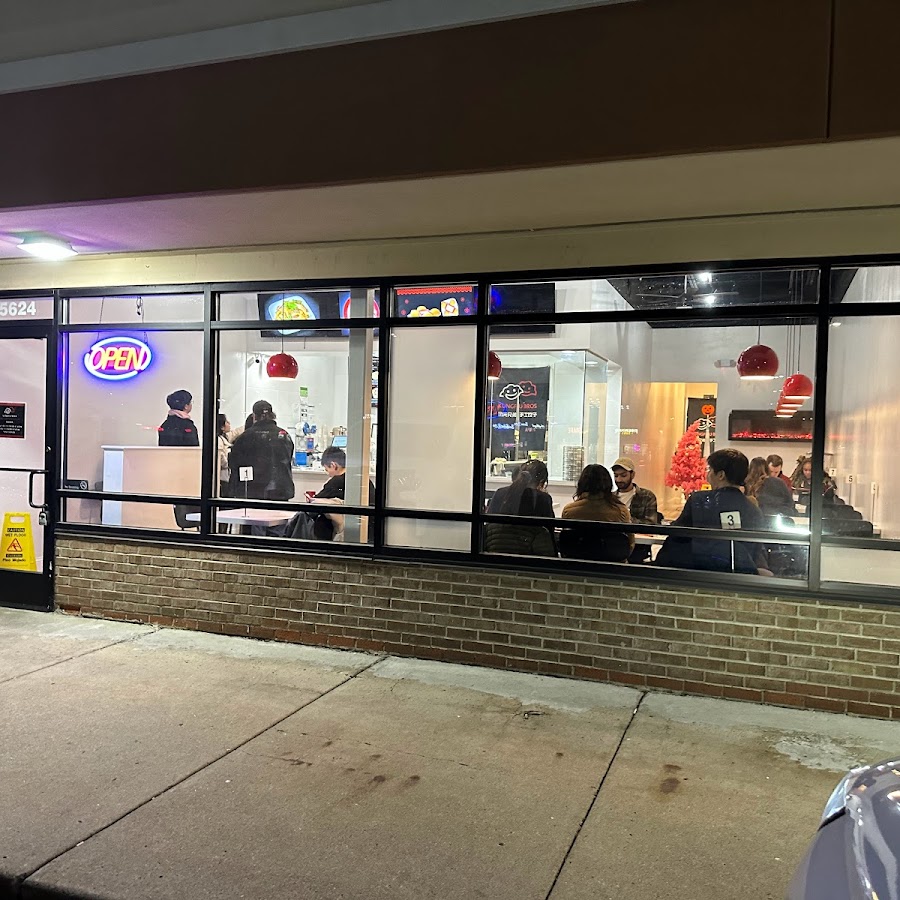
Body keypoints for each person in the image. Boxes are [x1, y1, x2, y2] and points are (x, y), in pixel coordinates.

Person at [656, 448, 767, 575]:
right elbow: (755, 550)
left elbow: (678, 533)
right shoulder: (754, 510)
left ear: (721, 475)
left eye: (710, 470)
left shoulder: (699, 501)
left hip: (698, 573)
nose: (707, 475)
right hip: (740, 575)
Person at [560, 465, 633, 563]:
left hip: (577, 565)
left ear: (581, 484)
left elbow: (566, 544)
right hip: (613, 566)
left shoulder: (569, 511)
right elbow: (629, 545)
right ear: (608, 484)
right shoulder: (621, 511)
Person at [484, 459, 556, 556]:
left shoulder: (500, 493)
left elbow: (488, 523)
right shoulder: (541, 498)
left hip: (495, 552)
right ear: (541, 482)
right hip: (529, 556)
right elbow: (549, 530)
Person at [227, 400, 294, 501]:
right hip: (280, 490)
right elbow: (288, 458)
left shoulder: (245, 436)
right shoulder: (283, 435)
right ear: (272, 415)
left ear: (254, 416)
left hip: (253, 491)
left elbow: (234, 462)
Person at [611, 456, 658, 563]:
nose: (619, 480)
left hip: (638, 547)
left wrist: (626, 518)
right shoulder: (610, 497)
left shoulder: (647, 496)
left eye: (623, 475)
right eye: (616, 476)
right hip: (613, 545)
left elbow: (651, 524)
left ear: (632, 475)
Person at [217, 414, 232, 497]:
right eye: (226, 422)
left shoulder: (225, 438)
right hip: (222, 477)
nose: (229, 423)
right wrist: (228, 462)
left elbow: (235, 432)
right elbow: (220, 456)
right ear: (222, 427)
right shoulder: (219, 440)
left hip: (225, 476)